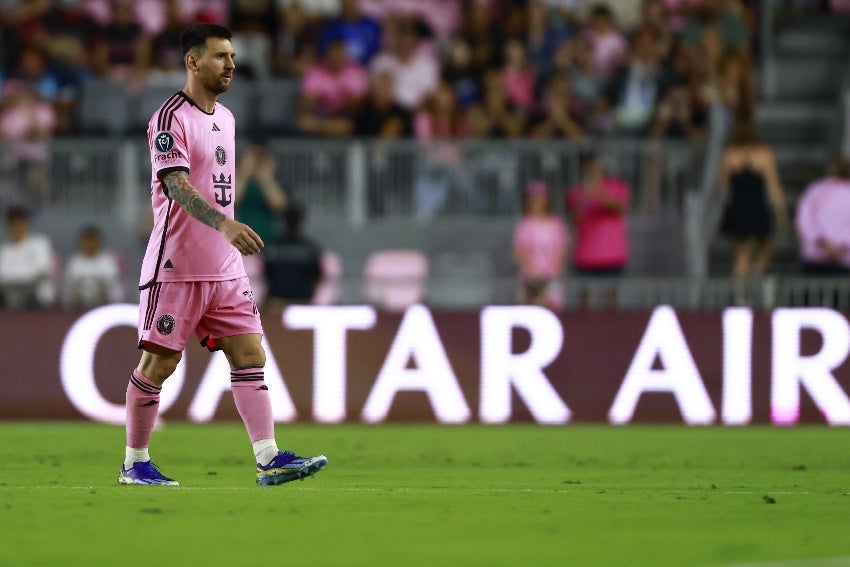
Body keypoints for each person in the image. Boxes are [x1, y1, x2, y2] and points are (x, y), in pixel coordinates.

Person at [121, 24, 326, 487]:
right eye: (220, 56)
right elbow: (175, 185)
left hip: (225, 267)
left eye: (232, 56)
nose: (230, 64)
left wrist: (226, 234)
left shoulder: (227, 119)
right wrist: (224, 223)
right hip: (177, 265)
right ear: (193, 62)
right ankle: (134, 462)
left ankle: (269, 457)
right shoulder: (169, 117)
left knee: (250, 352)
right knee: (159, 364)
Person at [718, 112, 788, 285]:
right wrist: (781, 212)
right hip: (756, 206)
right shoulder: (764, 153)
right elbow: (773, 186)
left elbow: (723, 184)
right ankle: (755, 274)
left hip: (737, 206)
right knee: (767, 245)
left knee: (740, 253)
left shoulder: (729, 154)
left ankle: (740, 295)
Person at [565, 151, 630, 308]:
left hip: (613, 254)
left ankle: (612, 331)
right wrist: (584, 197)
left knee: (612, 300)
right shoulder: (575, 192)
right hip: (586, 255)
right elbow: (575, 221)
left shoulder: (617, 186)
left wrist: (599, 193)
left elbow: (620, 209)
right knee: (584, 300)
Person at [513, 180, 570, 310]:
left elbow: (562, 250)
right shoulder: (525, 224)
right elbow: (519, 252)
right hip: (530, 279)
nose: (536, 201)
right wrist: (533, 272)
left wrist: (553, 274)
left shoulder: (557, 224)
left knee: (553, 306)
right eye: (532, 198)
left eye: (540, 198)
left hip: (551, 277)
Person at [795, 156, 850, 276]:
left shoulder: (816, 189)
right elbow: (804, 219)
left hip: (821, 255)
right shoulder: (817, 189)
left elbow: (804, 220)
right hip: (832, 257)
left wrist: (823, 243)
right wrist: (842, 247)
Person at [262, 201, 323, 308]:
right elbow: (317, 277)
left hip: (277, 303)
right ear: (302, 220)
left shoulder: (273, 248)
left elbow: (266, 276)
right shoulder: (310, 249)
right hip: (302, 304)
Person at [0, 206, 55, 309]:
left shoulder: (40, 243)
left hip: (38, 302)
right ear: (7, 226)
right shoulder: (4, 250)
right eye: (12, 224)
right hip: (11, 303)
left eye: (19, 223)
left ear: (26, 223)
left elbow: (43, 272)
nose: (16, 227)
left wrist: (22, 280)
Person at [234, 140, 288, 246]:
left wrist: (266, 178)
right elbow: (232, 201)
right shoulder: (238, 181)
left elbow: (280, 206)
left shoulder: (276, 183)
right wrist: (243, 175)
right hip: (242, 240)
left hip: (269, 240)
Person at [63, 225, 124, 309]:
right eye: (86, 241)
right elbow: (70, 286)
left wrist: (95, 294)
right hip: (79, 305)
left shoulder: (107, 261)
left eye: (92, 240)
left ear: (98, 242)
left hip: (103, 304)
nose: (89, 244)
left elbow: (111, 285)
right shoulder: (75, 262)